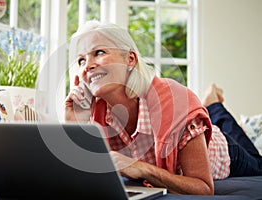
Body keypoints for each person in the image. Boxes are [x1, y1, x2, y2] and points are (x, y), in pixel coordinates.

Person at [64, 20, 261, 195]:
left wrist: (141, 168)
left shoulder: (176, 102)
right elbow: (78, 180)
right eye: (81, 60)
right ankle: (211, 106)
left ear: (130, 59)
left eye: (99, 52)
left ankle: (213, 105)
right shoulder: (93, 113)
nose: (87, 65)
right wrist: (74, 126)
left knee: (258, 162)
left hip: (225, 152)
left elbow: (204, 188)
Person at [202, 83, 262, 177]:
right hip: (219, 144)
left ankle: (214, 107)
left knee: (259, 165)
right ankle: (214, 107)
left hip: (223, 148)